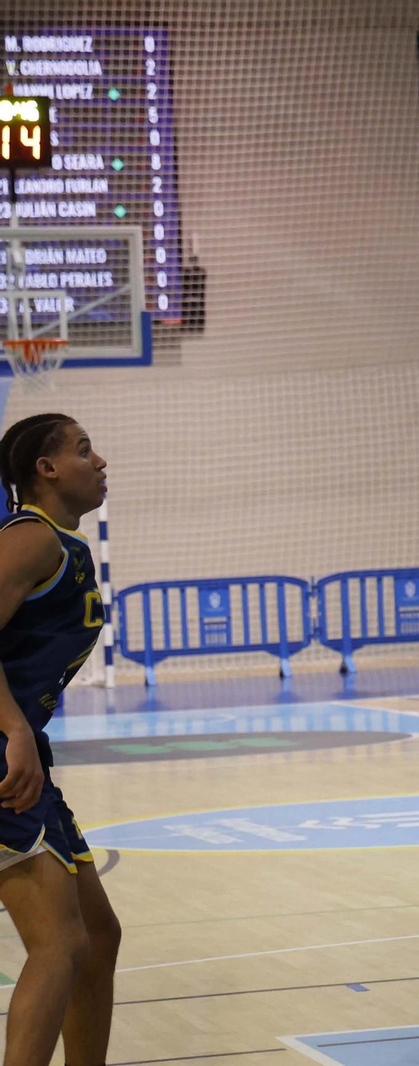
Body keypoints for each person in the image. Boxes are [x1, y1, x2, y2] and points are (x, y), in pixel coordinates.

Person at [0, 414, 121, 1066]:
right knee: (60, 944)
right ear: (45, 469)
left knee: (97, 936)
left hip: (25, 752)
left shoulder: (60, 546)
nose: (99, 462)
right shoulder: (31, 538)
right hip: (5, 749)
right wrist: (15, 726)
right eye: (83, 450)